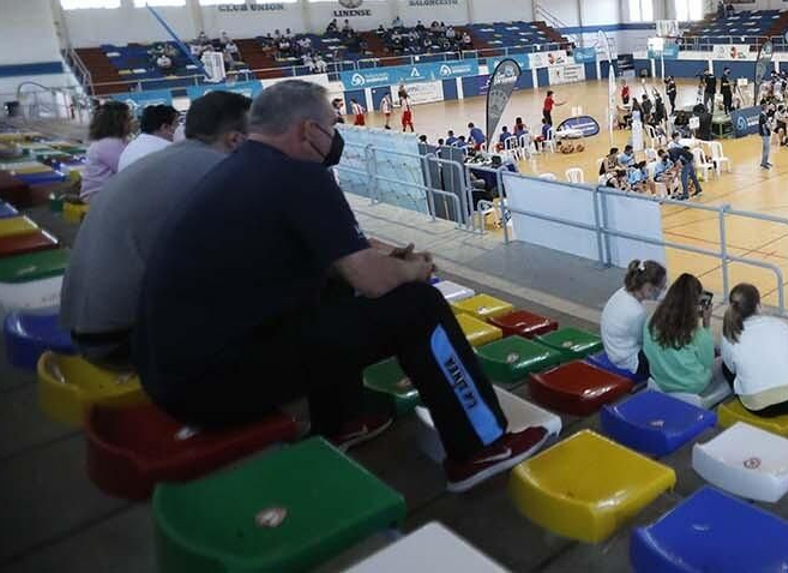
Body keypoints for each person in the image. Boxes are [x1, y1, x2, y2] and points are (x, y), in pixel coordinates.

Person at [133, 81, 546, 492]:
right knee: (420, 305)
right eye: (332, 124)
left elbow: (331, 261)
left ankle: (341, 423)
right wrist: (413, 270)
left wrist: (380, 261)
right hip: (214, 390)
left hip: (172, 377)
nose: (336, 134)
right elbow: (371, 281)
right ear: (307, 130)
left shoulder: (242, 167)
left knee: (330, 290)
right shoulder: (298, 175)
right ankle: (480, 447)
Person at [60, 92, 252, 368]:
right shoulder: (218, 171)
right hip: (118, 342)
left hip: (85, 330)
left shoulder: (164, 159)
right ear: (236, 139)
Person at [720, 284, 788, 418]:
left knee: (725, 366)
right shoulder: (779, 325)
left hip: (758, 406)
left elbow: (731, 369)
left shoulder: (729, 335)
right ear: (758, 306)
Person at [641, 273, 722, 398]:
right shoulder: (695, 331)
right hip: (691, 386)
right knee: (721, 361)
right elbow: (708, 361)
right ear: (695, 303)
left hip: (660, 381)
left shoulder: (650, 321)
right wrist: (706, 324)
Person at [81, 100, 134, 201]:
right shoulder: (107, 144)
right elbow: (131, 168)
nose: (132, 122)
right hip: (98, 198)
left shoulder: (119, 140)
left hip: (105, 194)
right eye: (129, 119)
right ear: (118, 122)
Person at [119, 104, 180, 172]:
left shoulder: (132, 146)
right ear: (164, 127)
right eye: (176, 123)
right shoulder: (165, 150)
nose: (179, 127)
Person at [758, 103, 772, 170]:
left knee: (765, 149)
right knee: (767, 149)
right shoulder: (762, 116)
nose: (768, 109)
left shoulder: (764, 115)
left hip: (766, 134)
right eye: (768, 108)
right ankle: (764, 164)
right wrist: (770, 127)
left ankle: (764, 162)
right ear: (765, 108)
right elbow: (766, 125)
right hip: (765, 134)